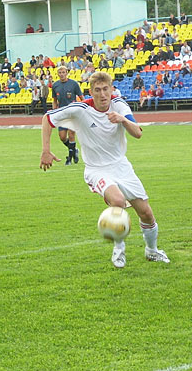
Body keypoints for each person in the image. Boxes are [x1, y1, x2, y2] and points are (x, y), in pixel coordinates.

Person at [40, 71, 170, 268]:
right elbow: (47, 119)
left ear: (111, 89)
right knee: (117, 200)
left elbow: (138, 133)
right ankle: (119, 250)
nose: (102, 94)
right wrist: (46, 151)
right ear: (91, 92)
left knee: (146, 214)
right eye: (97, 90)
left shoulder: (119, 104)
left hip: (121, 166)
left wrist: (122, 120)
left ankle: (152, 251)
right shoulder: (80, 109)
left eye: (105, 89)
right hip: (96, 169)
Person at [52, 66, 84, 165]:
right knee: (62, 137)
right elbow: (54, 100)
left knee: (71, 135)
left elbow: (81, 97)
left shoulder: (74, 84)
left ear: (67, 73)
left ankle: (69, 159)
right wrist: (54, 110)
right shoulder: (55, 85)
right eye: (60, 72)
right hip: (62, 114)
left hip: (72, 113)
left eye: (63, 72)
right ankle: (74, 150)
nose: (61, 74)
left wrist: (83, 109)